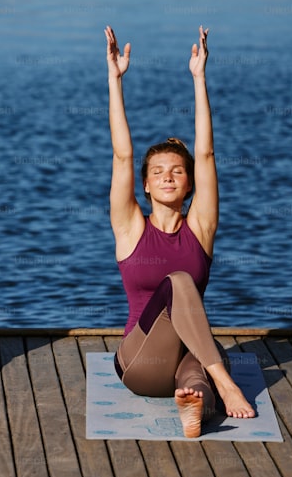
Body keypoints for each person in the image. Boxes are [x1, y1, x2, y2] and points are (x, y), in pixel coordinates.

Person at [105, 25, 256, 438]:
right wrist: (115, 80)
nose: (168, 177)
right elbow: (122, 155)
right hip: (139, 363)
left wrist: (199, 78)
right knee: (178, 282)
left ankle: (196, 405)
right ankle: (225, 384)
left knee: (194, 376)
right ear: (146, 185)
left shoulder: (201, 228)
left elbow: (205, 153)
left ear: (189, 184)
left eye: (177, 172)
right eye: (158, 173)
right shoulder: (131, 226)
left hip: (188, 356)